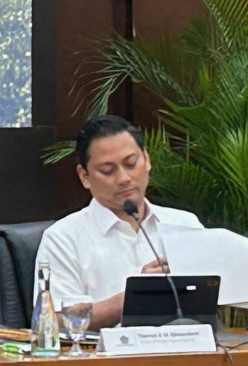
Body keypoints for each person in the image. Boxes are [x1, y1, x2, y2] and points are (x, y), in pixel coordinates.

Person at [35, 115, 203, 330]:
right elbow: (52, 321)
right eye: (108, 170)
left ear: (147, 160)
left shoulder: (185, 224)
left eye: (131, 164)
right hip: (104, 360)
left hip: (184, 355)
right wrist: (134, 297)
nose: (124, 178)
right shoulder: (63, 237)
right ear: (84, 176)